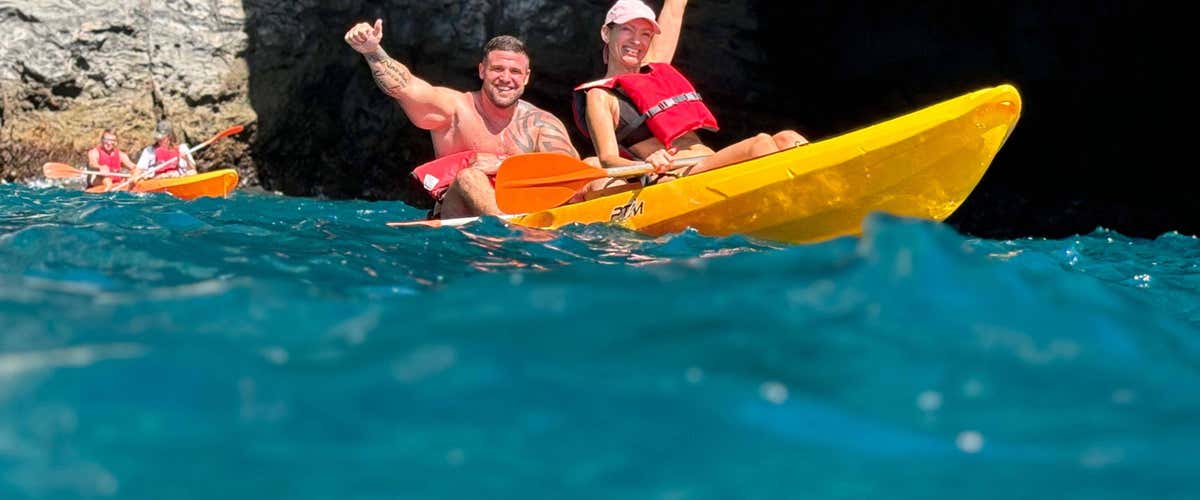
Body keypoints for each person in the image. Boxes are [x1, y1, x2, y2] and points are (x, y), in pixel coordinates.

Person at [344, 20, 581, 219]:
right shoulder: (454, 110)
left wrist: (502, 165)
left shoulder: (540, 123)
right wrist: (372, 51)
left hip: (528, 213)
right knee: (470, 176)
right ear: (481, 71)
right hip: (464, 218)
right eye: (497, 69)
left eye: (515, 72)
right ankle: (513, 234)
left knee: (591, 164)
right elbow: (404, 85)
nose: (506, 78)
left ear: (526, 77)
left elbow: (571, 171)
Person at [573, 0, 808, 195]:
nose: (637, 41)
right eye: (627, 30)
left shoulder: (656, 69)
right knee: (761, 144)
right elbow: (608, 159)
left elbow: (675, 8)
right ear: (607, 33)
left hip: (707, 163)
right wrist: (646, 165)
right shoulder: (600, 95)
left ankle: (821, 193)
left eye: (645, 34)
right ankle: (802, 204)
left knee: (788, 138)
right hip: (672, 176)